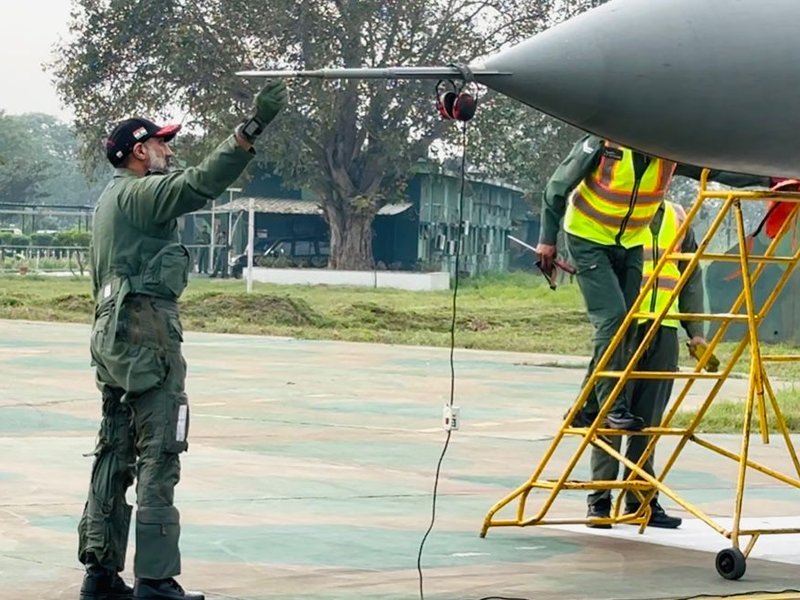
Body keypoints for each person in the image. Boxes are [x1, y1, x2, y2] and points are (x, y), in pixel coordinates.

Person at [78, 79, 287, 600]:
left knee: (113, 452)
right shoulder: (142, 194)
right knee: (160, 452)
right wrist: (249, 130)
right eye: (160, 143)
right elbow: (199, 184)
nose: (168, 150)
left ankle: (100, 574)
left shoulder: (109, 202)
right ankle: (155, 580)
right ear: (137, 152)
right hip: (147, 335)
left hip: (110, 337)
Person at [536, 135, 770, 431]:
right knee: (612, 320)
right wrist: (547, 239)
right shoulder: (605, 143)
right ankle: (612, 408)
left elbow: (715, 169)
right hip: (587, 236)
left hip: (629, 241)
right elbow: (557, 186)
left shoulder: (668, 150)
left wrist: (770, 177)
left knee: (628, 325)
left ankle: (588, 408)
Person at [586, 200, 707, 528]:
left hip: (664, 329)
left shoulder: (678, 218)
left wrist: (695, 331)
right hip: (623, 328)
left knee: (649, 421)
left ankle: (640, 499)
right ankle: (600, 499)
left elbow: (690, 275)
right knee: (612, 415)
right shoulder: (617, 213)